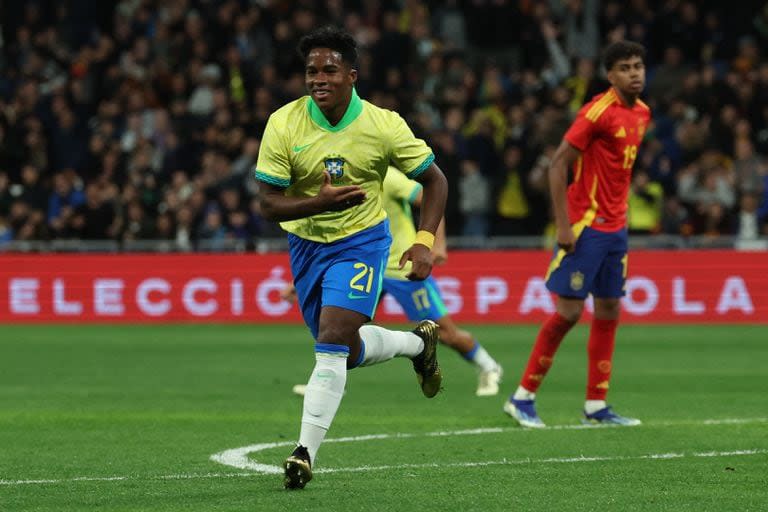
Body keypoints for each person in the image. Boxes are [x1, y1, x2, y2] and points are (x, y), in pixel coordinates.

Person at [255, 26, 448, 489]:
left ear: (352, 75)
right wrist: (317, 204)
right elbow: (267, 204)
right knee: (345, 350)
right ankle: (418, 345)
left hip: (361, 241)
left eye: (329, 69)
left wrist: (423, 240)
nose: (318, 78)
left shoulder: (383, 125)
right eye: (310, 71)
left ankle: (303, 453)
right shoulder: (284, 123)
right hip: (304, 245)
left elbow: (435, 180)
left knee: (333, 337)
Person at [503, 40, 651, 428]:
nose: (634, 73)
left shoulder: (643, 114)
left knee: (609, 311)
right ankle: (522, 398)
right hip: (585, 227)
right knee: (568, 313)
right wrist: (564, 224)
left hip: (616, 229)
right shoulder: (596, 113)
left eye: (638, 65)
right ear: (610, 75)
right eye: (625, 67)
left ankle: (596, 407)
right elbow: (557, 165)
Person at [289, 166, 503, 397]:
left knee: (445, 334)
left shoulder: (389, 177)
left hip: (401, 268)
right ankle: (328, 381)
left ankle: (489, 367)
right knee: (338, 326)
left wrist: (436, 243)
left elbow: (429, 197)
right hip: (365, 264)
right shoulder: (339, 181)